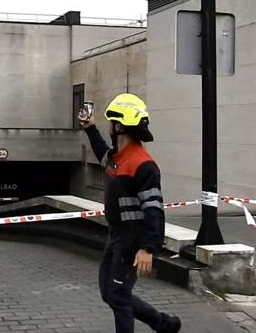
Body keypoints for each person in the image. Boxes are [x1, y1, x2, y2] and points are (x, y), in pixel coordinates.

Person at [78, 93, 181, 333]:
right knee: (109, 292)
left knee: (119, 296)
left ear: (119, 125)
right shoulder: (118, 157)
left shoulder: (143, 164)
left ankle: (163, 323)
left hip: (132, 241)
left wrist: (147, 249)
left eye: (111, 122)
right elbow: (104, 154)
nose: (109, 126)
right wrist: (91, 129)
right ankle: (163, 323)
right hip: (116, 236)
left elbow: (154, 210)